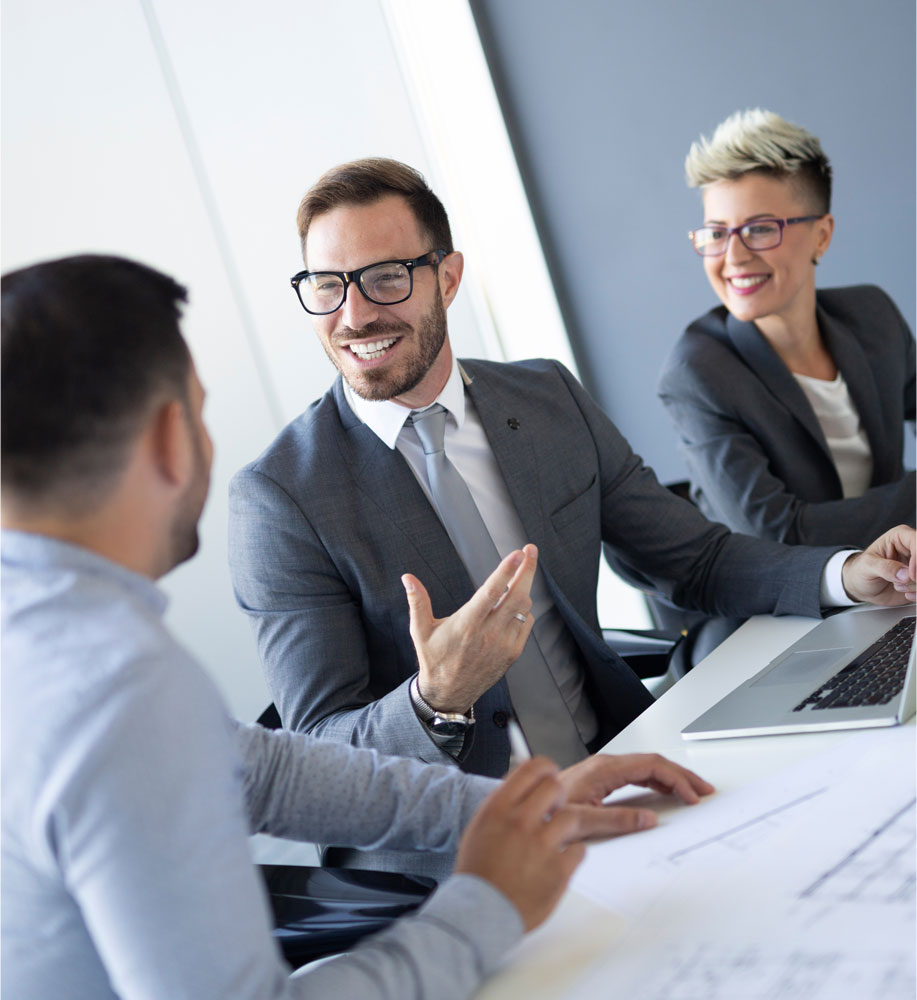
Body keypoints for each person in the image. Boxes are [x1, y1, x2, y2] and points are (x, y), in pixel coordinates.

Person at [0, 254, 717, 1000]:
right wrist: (487, 907)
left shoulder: (52, 644)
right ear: (168, 439)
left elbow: (264, 770)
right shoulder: (115, 688)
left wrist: (521, 809)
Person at [227, 157, 916, 876]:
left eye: (386, 277)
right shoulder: (280, 499)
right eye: (327, 285)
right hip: (463, 848)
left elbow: (695, 559)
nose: (355, 313)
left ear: (448, 277)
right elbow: (317, 757)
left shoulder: (546, 399)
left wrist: (848, 573)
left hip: (621, 772)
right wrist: (436, 699)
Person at [658, 108, 915, 547]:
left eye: (759, 229)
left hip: (893, 583)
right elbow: (777, 535)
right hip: (777, 610)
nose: (733, 257)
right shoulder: (698, 373)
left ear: (821, 235)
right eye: (717, 234)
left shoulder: (873, 315)